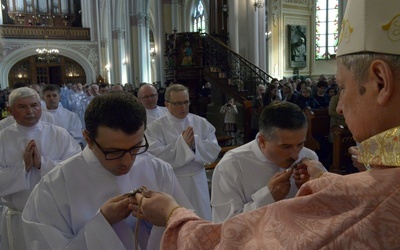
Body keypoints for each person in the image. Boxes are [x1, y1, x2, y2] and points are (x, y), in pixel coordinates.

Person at [128, 1, 400, 248]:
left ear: (380, 81)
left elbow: (229, 241)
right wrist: (328, 180)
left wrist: (171, 214)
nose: (339, 106)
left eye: (342, 87)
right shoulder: (234, 164)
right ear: (262, 140)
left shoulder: (319, 163)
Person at [22, 91, 193, 249]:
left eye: (136, 147)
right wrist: (103, 222)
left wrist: (164, 216)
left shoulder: (158, 169)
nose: (127, 162)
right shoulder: (56, 184)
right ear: (88, 139)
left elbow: (187, 232)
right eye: (113, 152)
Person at [0, 87, 82, 250]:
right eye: (22, 107)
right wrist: (23, 169)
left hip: (54, 216)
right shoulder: (2, 138)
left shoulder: (59, 134)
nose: (30, 111)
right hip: (18, 216)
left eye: (34, 105)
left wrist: (42, 164)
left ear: (41, 106)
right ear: (10, 110)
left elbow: (76, 170)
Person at [211, 102, 318, 222]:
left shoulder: (309, 156)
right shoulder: (231, 165)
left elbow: (322, 211)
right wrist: (268, 196)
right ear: (263, 141)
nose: (296, 155)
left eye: (300, 144)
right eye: (285, 146)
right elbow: (226, 225)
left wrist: (309, 189)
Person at [145, 84, 221, 220]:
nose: (183, 107)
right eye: (178, 103)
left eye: (186, 102)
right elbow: (155, 156)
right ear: (166, 104)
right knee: (178, 219)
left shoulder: (201, 122)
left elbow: (214, 149)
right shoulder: (155, 128)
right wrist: (183, 144)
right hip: (173, 181)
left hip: (198, 179)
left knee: (202, 217)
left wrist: (195, 144)